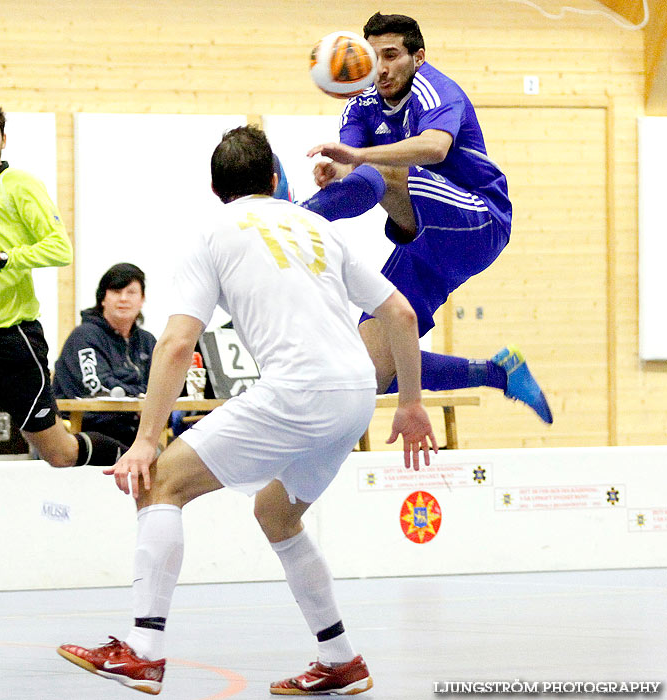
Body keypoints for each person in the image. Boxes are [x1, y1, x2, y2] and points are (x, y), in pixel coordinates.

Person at [57, 125, 436, 696]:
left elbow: (178, 343)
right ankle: (340, 658)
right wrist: (410, 403)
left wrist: (143, 440)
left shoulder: (212, 232)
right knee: (277, 515)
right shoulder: (316, 227)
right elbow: (403, 316)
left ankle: (142, 650)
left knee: (158, 483)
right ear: (276, 179)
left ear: (214, 188)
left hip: (297, 391)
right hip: (355, 393)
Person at [303, 13, 553, 424]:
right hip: (423, 239)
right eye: (373, 55)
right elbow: (352, 163)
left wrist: (357, 163)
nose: (380, 68)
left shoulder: (436, 89)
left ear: (418, 57)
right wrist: (335, 171)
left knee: (385, 171)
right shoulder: (361, 103)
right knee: (371, 372)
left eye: (392, 55)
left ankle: (292, 220)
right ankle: (498, 373)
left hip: (479, 219)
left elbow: (434, 148)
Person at [0, 97, 128, 467]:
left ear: (4, 139)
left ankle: (130, 461)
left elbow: (60, 249)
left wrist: (5, 257)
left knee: (59, 454)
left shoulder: (19, 185)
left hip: (10, 342)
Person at [53, 263, 157, 446]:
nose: (123, 299)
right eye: (116, 292)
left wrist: (137, 394)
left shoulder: (147, 341)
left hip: (135, 432)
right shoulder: (84, 337)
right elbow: (97, 388)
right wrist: (140, 395)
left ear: (142, 299)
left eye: (131, 292)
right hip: (87, 433)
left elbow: (162, 386)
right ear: (103, 299)